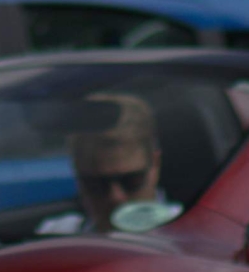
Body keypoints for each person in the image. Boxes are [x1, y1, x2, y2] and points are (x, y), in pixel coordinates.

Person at [64, 93, 181, 233]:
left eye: (130, 181)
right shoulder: (57, 239)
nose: (116, 198)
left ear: (155, 165)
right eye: (96, 185)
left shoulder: (195, 234)